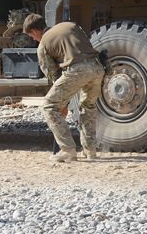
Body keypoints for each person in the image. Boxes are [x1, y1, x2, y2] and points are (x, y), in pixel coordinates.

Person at [23, 14, 105, 163]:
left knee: (49, 106)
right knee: (88, 106)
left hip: (77, 70)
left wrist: (63, 102)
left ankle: (68, 150)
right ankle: (90, 150)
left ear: (35, 31)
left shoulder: (43, 45)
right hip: (98, 67)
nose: (34, 39)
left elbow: (53, 75)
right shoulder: (71, 25)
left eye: (31, 36)